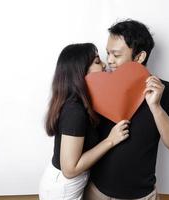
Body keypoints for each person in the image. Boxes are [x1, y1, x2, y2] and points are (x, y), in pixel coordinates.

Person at [84, 19, 169, 200]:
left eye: (116, 55)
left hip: (142, 196)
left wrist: (155, 107)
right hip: (95, 192)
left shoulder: (168, 91)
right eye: (108, 53)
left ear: (139, 57)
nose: (109, 61)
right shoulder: (98, 87)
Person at [39, 43, 130, 200]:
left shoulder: (82, 103)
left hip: (71, 186)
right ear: (80, 71)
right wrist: (111, 140)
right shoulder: (75, 111)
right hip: (63, 190)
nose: (104, 64)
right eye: (97, 62)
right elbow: (70, 169)